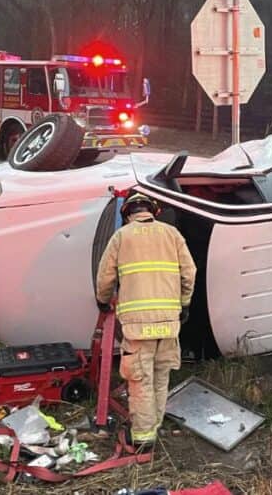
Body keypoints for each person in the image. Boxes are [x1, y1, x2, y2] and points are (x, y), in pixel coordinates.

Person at [95, 193, 197, 451]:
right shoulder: (172, 234)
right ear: (153, 211)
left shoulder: (122, 237)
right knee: (160, 378)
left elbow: (105, 276)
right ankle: (154, 426)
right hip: (168, 325)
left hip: (137, 327)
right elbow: (189, 272)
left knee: (140, 382)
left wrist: (102, 300)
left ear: (127, 214)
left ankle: (142, 438)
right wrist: (184, 304)